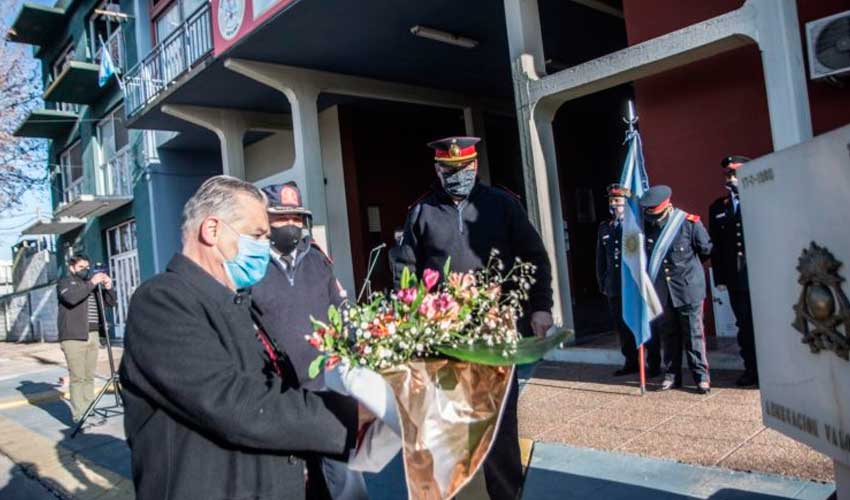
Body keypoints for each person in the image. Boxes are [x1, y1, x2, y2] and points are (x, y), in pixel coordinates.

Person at [119, 176, 371, 500]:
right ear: (212, 230)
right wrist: (355, 417)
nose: (265, 246)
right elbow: (238, 405)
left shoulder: (235, 302)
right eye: (257, 235)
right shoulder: (162, 301)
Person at [392, 136, 553, 500]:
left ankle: (505, 494)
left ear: (475, 166)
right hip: (443, 337)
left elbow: (533, 257)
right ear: (437, 170)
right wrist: (411, 320)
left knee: (497, 424)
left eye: (463, 169)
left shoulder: (502, 205)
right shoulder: (421, 212)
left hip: (494, 332)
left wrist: (540, 306)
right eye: (449, 170)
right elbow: (405, 270)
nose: (457, 175)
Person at [252, 181, 367, 500]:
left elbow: (341, 306)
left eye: (296, 218)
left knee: (346, 483)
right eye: (281, 218)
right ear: (265, 221)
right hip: (282, 395)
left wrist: (354, 335)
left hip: (330, 391)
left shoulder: (318, 260)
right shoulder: (251, 267)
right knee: (301, 484)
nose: (291, 225)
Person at [640, 185, 713, 394]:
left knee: (694, 334)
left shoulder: (688, 224)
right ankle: (672, 375)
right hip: (663, 292)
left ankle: (701, 377)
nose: (653, 219)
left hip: (688, 289)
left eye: (656, 213)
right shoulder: (647, 228)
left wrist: (691, 273)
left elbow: (705, 249)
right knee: (669, 335)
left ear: (666, 207)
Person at [596, 184, 662, 377]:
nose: (614, 205)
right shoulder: (605, 227)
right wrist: (603, 282)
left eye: (618, 201)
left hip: (634, 283)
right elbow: (601, 259)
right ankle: (631, 361)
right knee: (622, 325)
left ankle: (653, 363)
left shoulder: (636, 226)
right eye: (612, 201)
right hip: (615, 286)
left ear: (626, 203)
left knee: (645, 322)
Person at [709, 155, 757, 387]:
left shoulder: (763, 198)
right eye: (728, 175)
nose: (731, 179)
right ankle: (751, 369)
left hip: (762, 277)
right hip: (736, 279)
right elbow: (716, 247)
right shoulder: (719, 207)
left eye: (735, 174)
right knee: (745, 326)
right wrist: (719, 278)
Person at [57, 254, 116, 422]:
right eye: (81, 267)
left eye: (87, 267)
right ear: (72, 268)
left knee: (89, 375)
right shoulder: (66, 283)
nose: (85, 270)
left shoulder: (91, 285)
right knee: (77, 376)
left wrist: (108, 286)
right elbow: (71, 298)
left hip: (93, 334)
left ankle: (89, 407)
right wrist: (92, 283)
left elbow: (110, 303)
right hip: (73, 337)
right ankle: (79, 414)